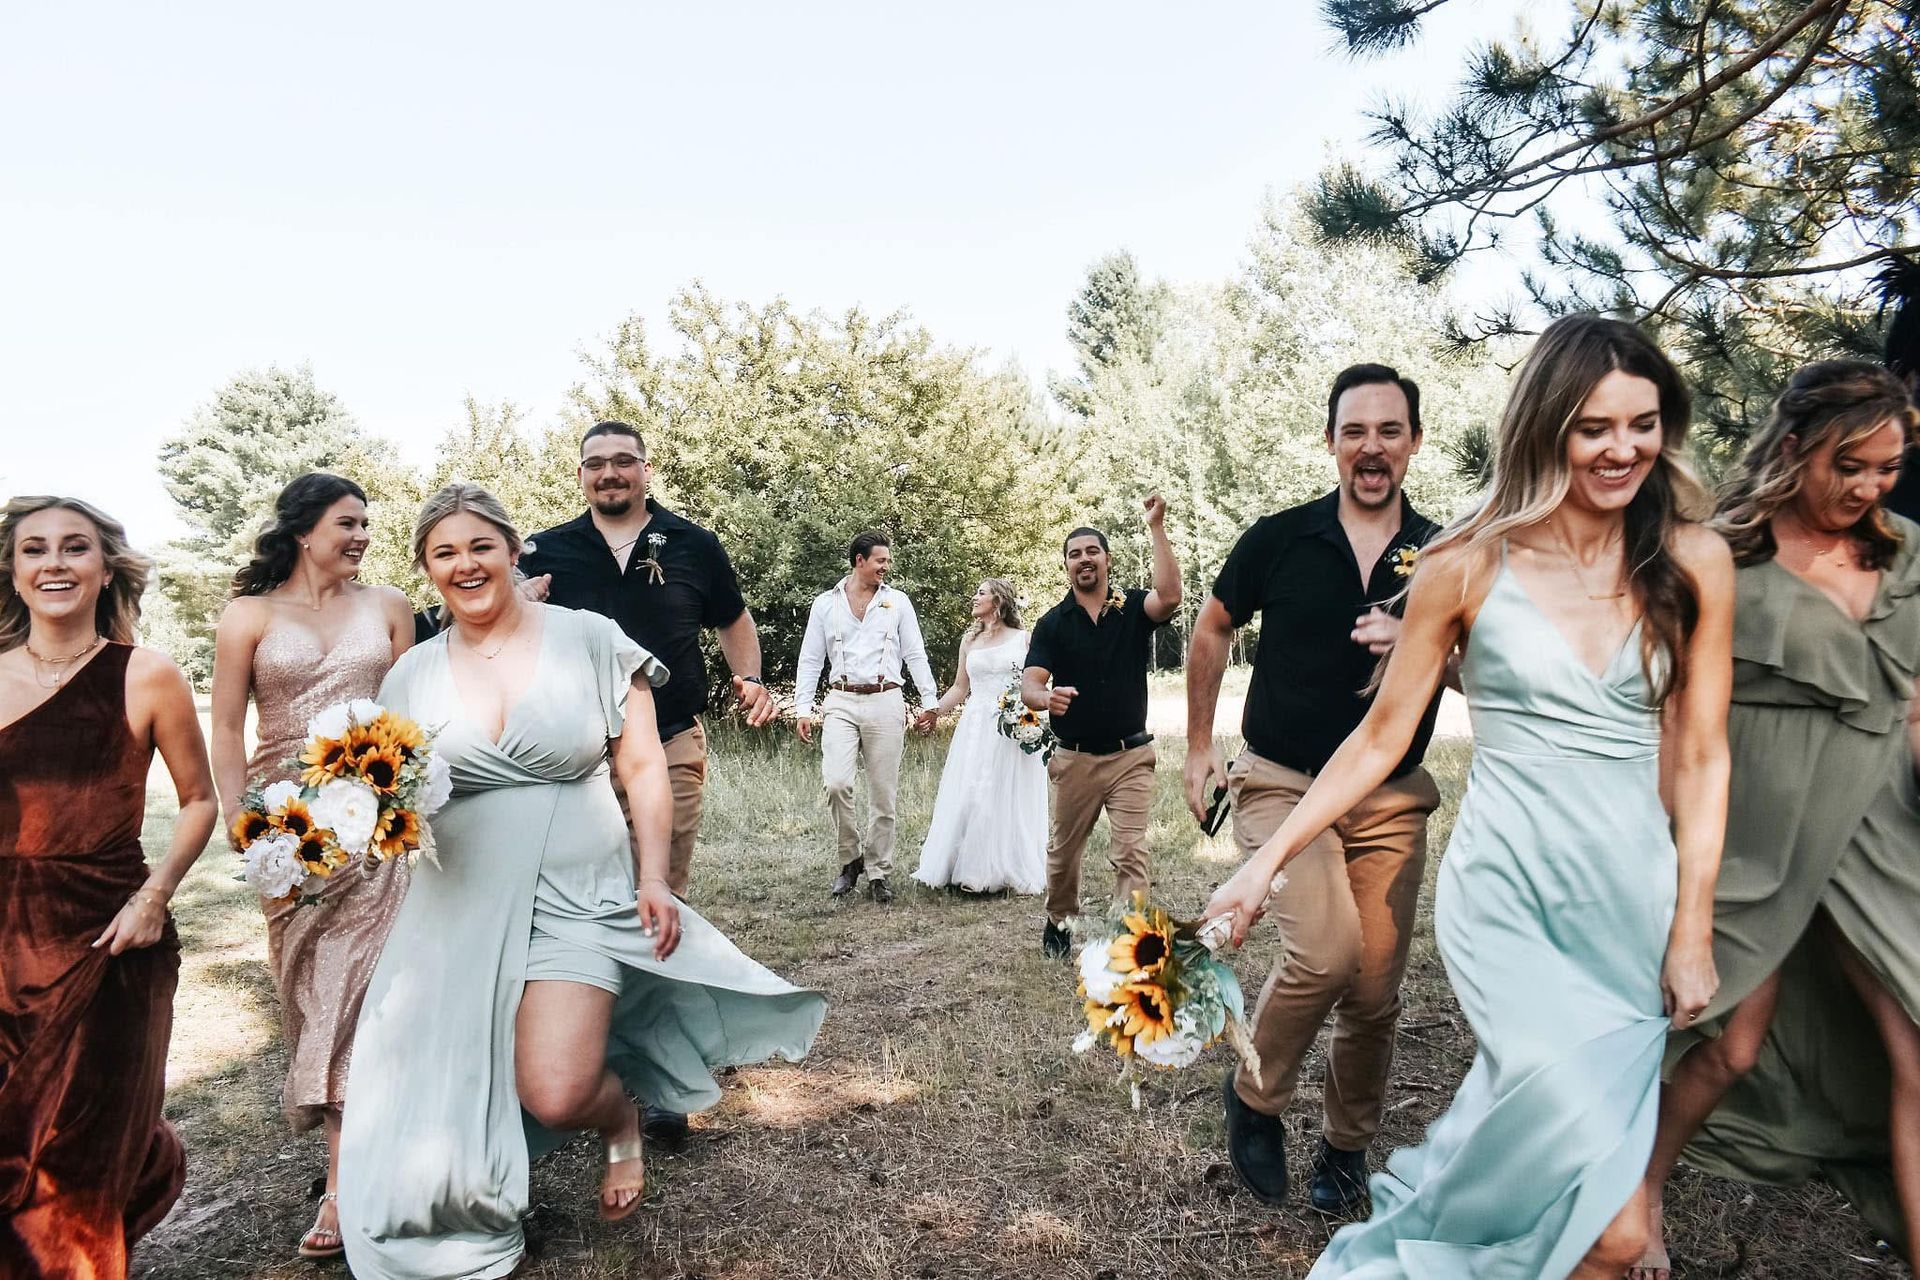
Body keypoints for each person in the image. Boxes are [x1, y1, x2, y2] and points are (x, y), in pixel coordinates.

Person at [1205, 314, 1734, 1279]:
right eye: (1594, 427)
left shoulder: (1695, 563)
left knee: (1581, 1195)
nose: (1623, 450)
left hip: (1629, 891)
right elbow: (1376, 739)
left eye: (1644, 424)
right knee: (1611, 1228)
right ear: (1545, 427)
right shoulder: (1465, 562)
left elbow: (1702, 758)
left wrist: (1693, 922)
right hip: (1512, 889)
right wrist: (1263, 865)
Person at [338, 485, 824, 1280]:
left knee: (556, 1088)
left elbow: (640, 766)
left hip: (580, 884)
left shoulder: (590, 638)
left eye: (480, 546)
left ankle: (619, 1117)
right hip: (458, 899)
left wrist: (656, 878)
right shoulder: (411, 676)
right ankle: (466, 1196)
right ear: (427, 570)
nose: (465, 565)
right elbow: (383, 798)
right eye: (444, 553)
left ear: (512, 549)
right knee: (453, 1069)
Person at [1632, 362, 1920, 1279]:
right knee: (1725, 1039)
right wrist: (1671, 850)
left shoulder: (1907, 553)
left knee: (1916, 1034)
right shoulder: (1719, 558)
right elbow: (1675, 717)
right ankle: (1640, 1188)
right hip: (1758, 824)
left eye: (1890, 467)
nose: (1872, 487)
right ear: (1794, 448)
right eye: (1852, 465)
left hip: (1879, 825)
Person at [1186, 363, 1447, 1216]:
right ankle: (1256, 1098)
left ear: (1413, 440)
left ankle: (1344, 1148)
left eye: (1389, 431)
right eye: (1355, 431)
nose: (1372, 448)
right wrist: (1196, 750)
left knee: (1374, 991)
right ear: (1332, 441)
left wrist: (1423, 635)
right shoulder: (1280, 538)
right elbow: (1212, 627)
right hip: (1279, 783)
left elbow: (1491, 661)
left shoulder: (1447, 555)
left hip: (1391, 796)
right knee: (1326, 951)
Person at [0, 496, 217, 1277]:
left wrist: (153, 897)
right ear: (14, 570)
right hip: (1, 946)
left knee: (79, 1160)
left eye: (74, 547)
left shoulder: (146, 675)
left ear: (104, 567)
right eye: (35, 549)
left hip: (110, 942)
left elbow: (200, 801)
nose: (54, 562)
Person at [209, 472, 416, 1260]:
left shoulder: (389, 607)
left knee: (363, 995)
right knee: (310, 992)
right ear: (303, 530)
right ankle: (354, 1148)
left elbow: (419, 704)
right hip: (289, 835)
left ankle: (342, 1184)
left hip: (381, 826)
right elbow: (227, 728)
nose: (361, 535)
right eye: (347, 522)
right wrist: (241, 818)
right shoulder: (249, 616)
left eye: (366, 522)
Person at [520, 420, 778, 902]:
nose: (609, 473)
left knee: (658, 892)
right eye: (595, 464)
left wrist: (749, 677)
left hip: (670, 742)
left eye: (623, 461)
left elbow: (733, 619)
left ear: (646, 470)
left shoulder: (693, 544)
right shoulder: (542, 550)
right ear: (580, 475)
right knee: (581, 895)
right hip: (575, 754)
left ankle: (657, 971)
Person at [1021, 496, 1181, 957]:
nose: (1084, 559)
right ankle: (1059, 918)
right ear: (1067, 566)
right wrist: (1045, 697)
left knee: (1131, 852)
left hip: (1131, 755)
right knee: (1063, 855)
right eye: (1075, 553)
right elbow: (1031, 683)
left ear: (1106, 559)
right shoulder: (1053, 624)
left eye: (1092, 551)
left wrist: (1156, 527)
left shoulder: (1131, 607)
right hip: (1075, 759)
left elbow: (1169, 597)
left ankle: (1127, 937)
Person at [793, 531, 940, 904]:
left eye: (887, 561)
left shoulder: (898, 602)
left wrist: (929, 700)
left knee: (883, 794)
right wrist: (803, 707)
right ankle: (851, 859)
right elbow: (810, 658)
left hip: (885, 699)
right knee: (837, 783)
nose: (885, 567)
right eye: (880, 561)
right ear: (859, 561)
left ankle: (879, 872)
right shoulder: (825, 604)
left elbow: (915, 653)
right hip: (840, 700)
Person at [909, 579, 1046, 896]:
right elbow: (960, 688)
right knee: (971, 791)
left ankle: (1002, 869)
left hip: (1013, 727)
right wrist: (933, 711)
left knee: (1004, 794)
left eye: (981, 593)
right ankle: (964, 865)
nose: (974, 597)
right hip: (975, 726)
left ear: (998, 601)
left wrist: (1036, 715)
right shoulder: (969, 642)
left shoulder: (1024, 640)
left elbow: (1037, 683)